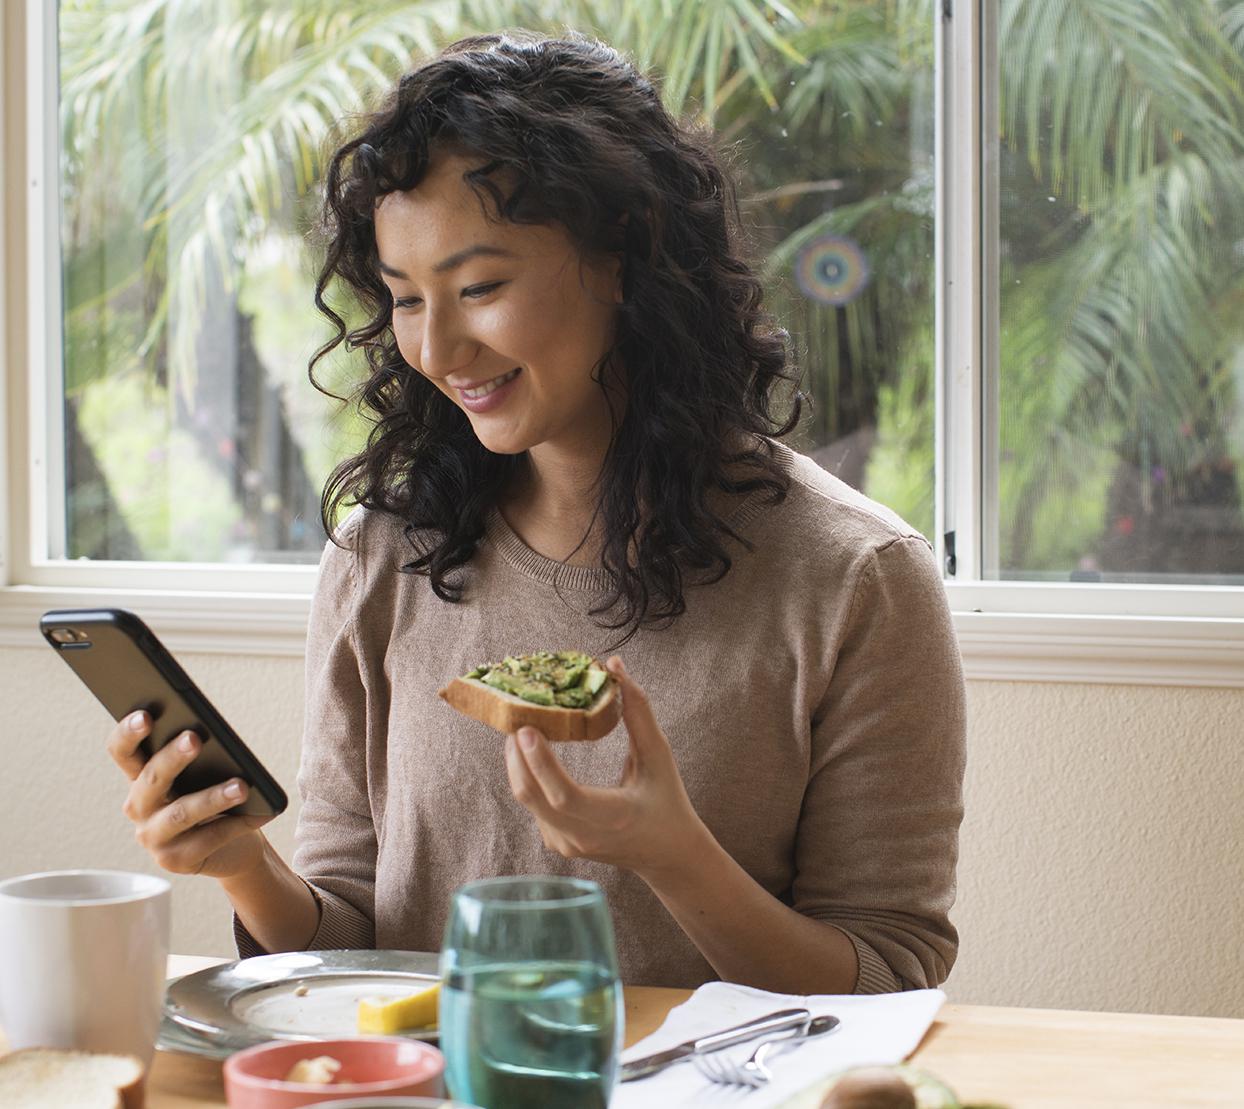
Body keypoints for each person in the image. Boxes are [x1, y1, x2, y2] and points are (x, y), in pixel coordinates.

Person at [108, 31, 965, 993]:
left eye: (480, 288)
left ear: (624, 260)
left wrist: (676, 855)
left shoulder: (857, 577)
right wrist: (242, 864)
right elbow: (355, 940)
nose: (437, 347)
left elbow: (892, 972)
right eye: (403, 298)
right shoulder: (384, 556)